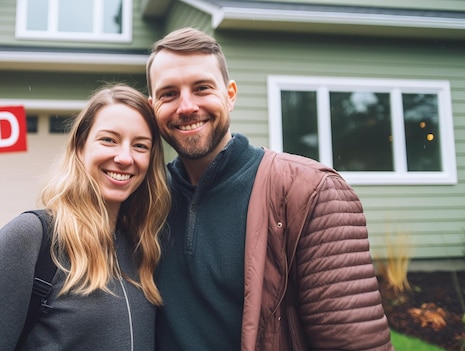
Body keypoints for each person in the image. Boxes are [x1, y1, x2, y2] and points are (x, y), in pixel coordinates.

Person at [146, 27, 393, 350]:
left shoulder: (311, 193)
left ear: (230, 94)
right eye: (169, 94)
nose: (186, 106)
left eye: (202, 88)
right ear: (152, 106)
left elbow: (353, 342)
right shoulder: (146, 199)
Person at [0, 83, 171, 351]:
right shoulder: (30, 237)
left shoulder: (143, 246)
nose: (125, 157)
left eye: (140, 146)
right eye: (108, 139)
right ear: (80, 146)